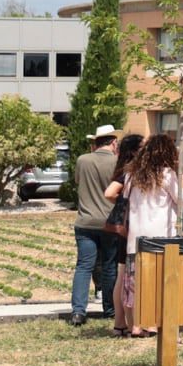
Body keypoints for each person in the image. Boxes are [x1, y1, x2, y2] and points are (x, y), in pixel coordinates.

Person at [122, 133, 183, 338]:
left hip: (136, 235)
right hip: (160, 235)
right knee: (157, 281)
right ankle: (151, 324)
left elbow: (125, 198)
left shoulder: (131, 174)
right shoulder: (167, 174)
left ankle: (135, 325)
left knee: (135, 282)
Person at [70, 125, 121, 327]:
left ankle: (78, 312)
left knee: (84, 266)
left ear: (95, 143)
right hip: (109, 221)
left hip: (85, 221)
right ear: (114, 142)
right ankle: (109, 309)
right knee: (109, 266)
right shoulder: (118, 163)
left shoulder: (83, 160)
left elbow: (78, 182)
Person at [105, 134, 144, 335]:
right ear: (134, 151)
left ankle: (119, 323)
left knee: (122, 274)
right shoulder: (131, 172)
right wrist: (126, 203)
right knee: (124, 275)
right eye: (143, 146)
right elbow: (110, 193)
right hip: (127, 228)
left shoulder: (124, 169)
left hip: (123, 228)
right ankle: (122, 322)